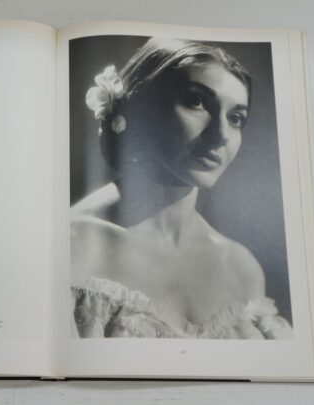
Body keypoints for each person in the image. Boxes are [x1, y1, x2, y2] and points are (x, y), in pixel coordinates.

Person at [71, 38, 293, 339]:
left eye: (235, 118)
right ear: (141, 109)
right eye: (197, 102)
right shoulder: (74, 241)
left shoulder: (240, 268)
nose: (221, 135)